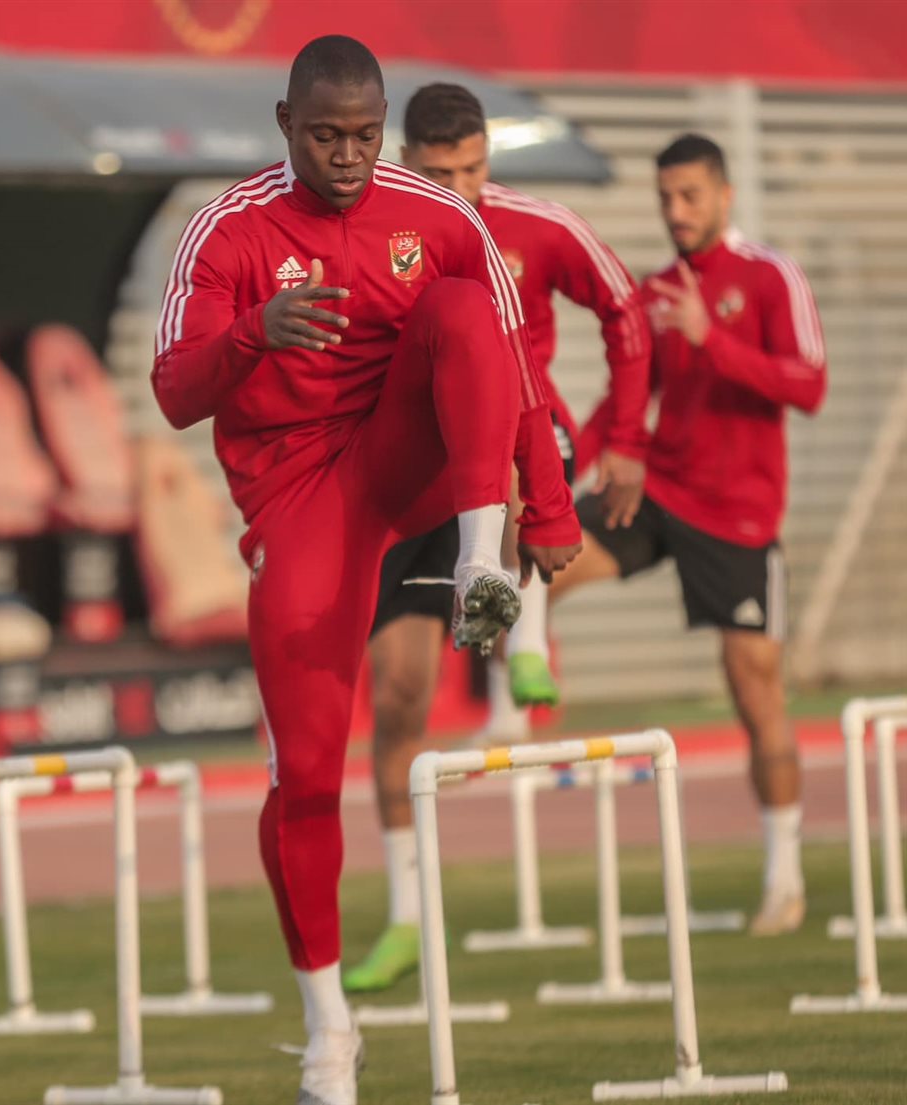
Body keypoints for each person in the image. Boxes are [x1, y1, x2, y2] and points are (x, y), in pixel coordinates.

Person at [150, 36, 581, 1105]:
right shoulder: (228, 229)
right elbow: (173, 391)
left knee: (462, 308)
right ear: (283, 123)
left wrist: (549, 504)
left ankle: (479, 561)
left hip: (409, 461)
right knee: (305, 773)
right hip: (301, 497)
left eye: (364, 135)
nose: (347, 157)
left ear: (383, 125)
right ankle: (329, 1030)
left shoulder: (434, 212)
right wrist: (255, 331)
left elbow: (515, 365)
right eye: (324, 136)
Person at [344, 82, 651, 993]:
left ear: (490, 160)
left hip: (515, 443)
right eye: (441, 175)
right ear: (407, 163)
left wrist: (625, 439)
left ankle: (525, 645)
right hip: (406, 483)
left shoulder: (537, 225)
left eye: (474, 170)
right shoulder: (371, 230)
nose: (461, 190)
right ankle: (407, 913)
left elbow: (626, 310)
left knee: (525, 439)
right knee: (398, 697)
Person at [527, 133, 826, 935]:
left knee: (754, 687)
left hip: (739, 514)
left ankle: (784, 876)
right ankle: (515, 697)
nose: (676, 210)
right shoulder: (655, 289)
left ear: (724, 195)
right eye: (665, 197)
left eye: (690, 195)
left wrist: (712, 338)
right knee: (542, 564)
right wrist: (567, 474)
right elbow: (626, 397)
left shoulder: (770, 275)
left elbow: (810, 385)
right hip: (659, 489)